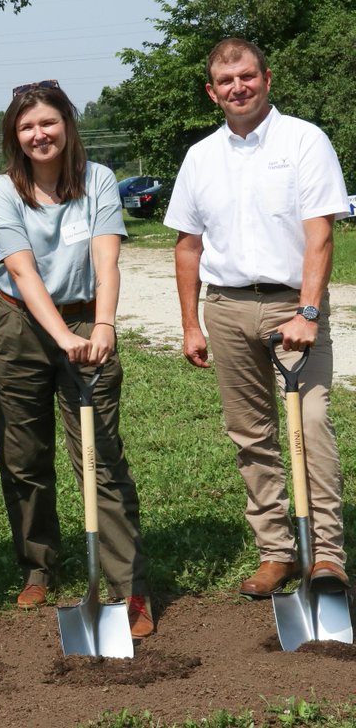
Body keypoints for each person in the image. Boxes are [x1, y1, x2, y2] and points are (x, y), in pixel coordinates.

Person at [165, 38, 351, 597]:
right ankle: (276, 552)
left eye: (247, 76)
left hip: (292, 303)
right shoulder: (200, 157)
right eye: (226, 81)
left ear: (267, 79)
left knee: (309, 424)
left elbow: (320, 235)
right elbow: (187, 246)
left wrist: (308, 312)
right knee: (251, 434)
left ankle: (327, 555)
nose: (238, 87)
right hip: (225, 306)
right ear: (212, 92)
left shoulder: (303, 140)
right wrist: (191, 324)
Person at [0, 80, 152, 638]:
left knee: (101, 456)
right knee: (24, 456)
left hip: (85, 320)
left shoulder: (97, 179)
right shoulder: (3, 190)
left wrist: (103, 325)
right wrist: (60, 336)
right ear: (15, 135)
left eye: (48, 122)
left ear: (67, 125)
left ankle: (128, 588)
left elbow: (107, 259)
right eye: (27, 126)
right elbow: (22, 269)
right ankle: (39, 567)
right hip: (21, 327)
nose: (39, 134)